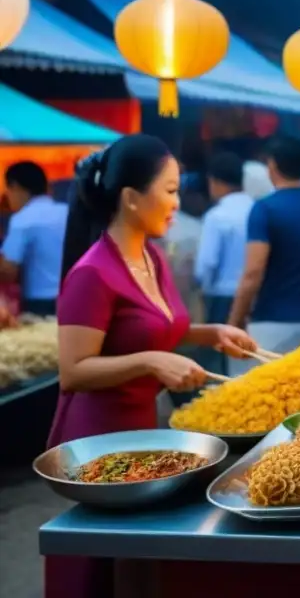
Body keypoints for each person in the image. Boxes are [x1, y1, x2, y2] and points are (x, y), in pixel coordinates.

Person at [48, 135, 256, 598]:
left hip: (142, 428)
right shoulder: (91, 273)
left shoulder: (151, 256)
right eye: (170, 189)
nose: (178, 203)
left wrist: (210, 332)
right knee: (97, 569)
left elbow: (152, 330)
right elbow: (74, 371)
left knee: (138, 564)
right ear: (130, 198)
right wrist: (149, 360)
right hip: (96, 443)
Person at [228, 136, 300, 372]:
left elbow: (253, 272)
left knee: (261, 397)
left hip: (269, 323)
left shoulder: (265, 209)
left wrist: (234, 322)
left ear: (272, 165)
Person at [0, 161, 67, 316]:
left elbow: (8, 270)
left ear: (15, 187)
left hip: (40, 305)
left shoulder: (23, 219)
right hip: (75, 298)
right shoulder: (68, 213)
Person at [195, 152, 252, 326]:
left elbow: (206, 263)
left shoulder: (216, 216)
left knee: (217, 351)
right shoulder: (257, 209)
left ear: (214, 181)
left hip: (221, 298)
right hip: (254, 296)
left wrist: (201, 289)